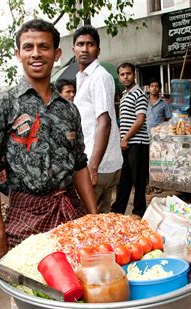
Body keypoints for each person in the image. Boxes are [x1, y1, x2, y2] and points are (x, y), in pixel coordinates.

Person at [0, 19, 97, 265]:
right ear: (18, 53)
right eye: (28, 47)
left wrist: (94, 217)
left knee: (77, 287)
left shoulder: (69, 110)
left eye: (43, 47)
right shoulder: (0, 105)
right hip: (25, 215)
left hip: (70, 213)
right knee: (29, 289)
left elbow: (79, 165)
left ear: (57, 54)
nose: (36, 54)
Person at [72, 25, 123, 213]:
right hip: (100, 163)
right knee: (99, 223)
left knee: (88, 223)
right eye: (80, 44)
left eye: (90, 44)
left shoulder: (99, 76)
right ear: (74, 50)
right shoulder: (83, 77)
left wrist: (92, 166)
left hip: (98, 166)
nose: (84, 49)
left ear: (98, 50)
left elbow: (105, 121)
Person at [111, 62, 149, 218]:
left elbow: (140, 120)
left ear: (134, 75)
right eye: (122, 74)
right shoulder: (125, 95)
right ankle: (117, 210)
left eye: (128, 74)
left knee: (138, 179)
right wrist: (121, 138)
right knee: (123, 179)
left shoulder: (138, 93)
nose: (125, 77)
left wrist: (125, 138)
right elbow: (124, 121)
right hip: (126, 143)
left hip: (138, 143)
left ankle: (139, 211)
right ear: (119, 77)